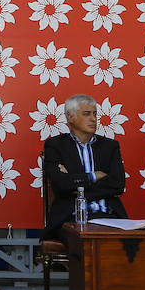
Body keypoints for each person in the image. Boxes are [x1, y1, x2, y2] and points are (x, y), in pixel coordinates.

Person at [41, 94, 127, 239]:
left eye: (95, 114)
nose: (93, 119)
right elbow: (61, 184)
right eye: (87, 114)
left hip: (110, 216)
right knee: (86, 245)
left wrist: (77, 188)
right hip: (71, 218)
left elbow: (118, 184)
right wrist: (95, 176)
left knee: (133, 248)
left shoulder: (110, 146)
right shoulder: (55, 146)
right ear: (71, 117)